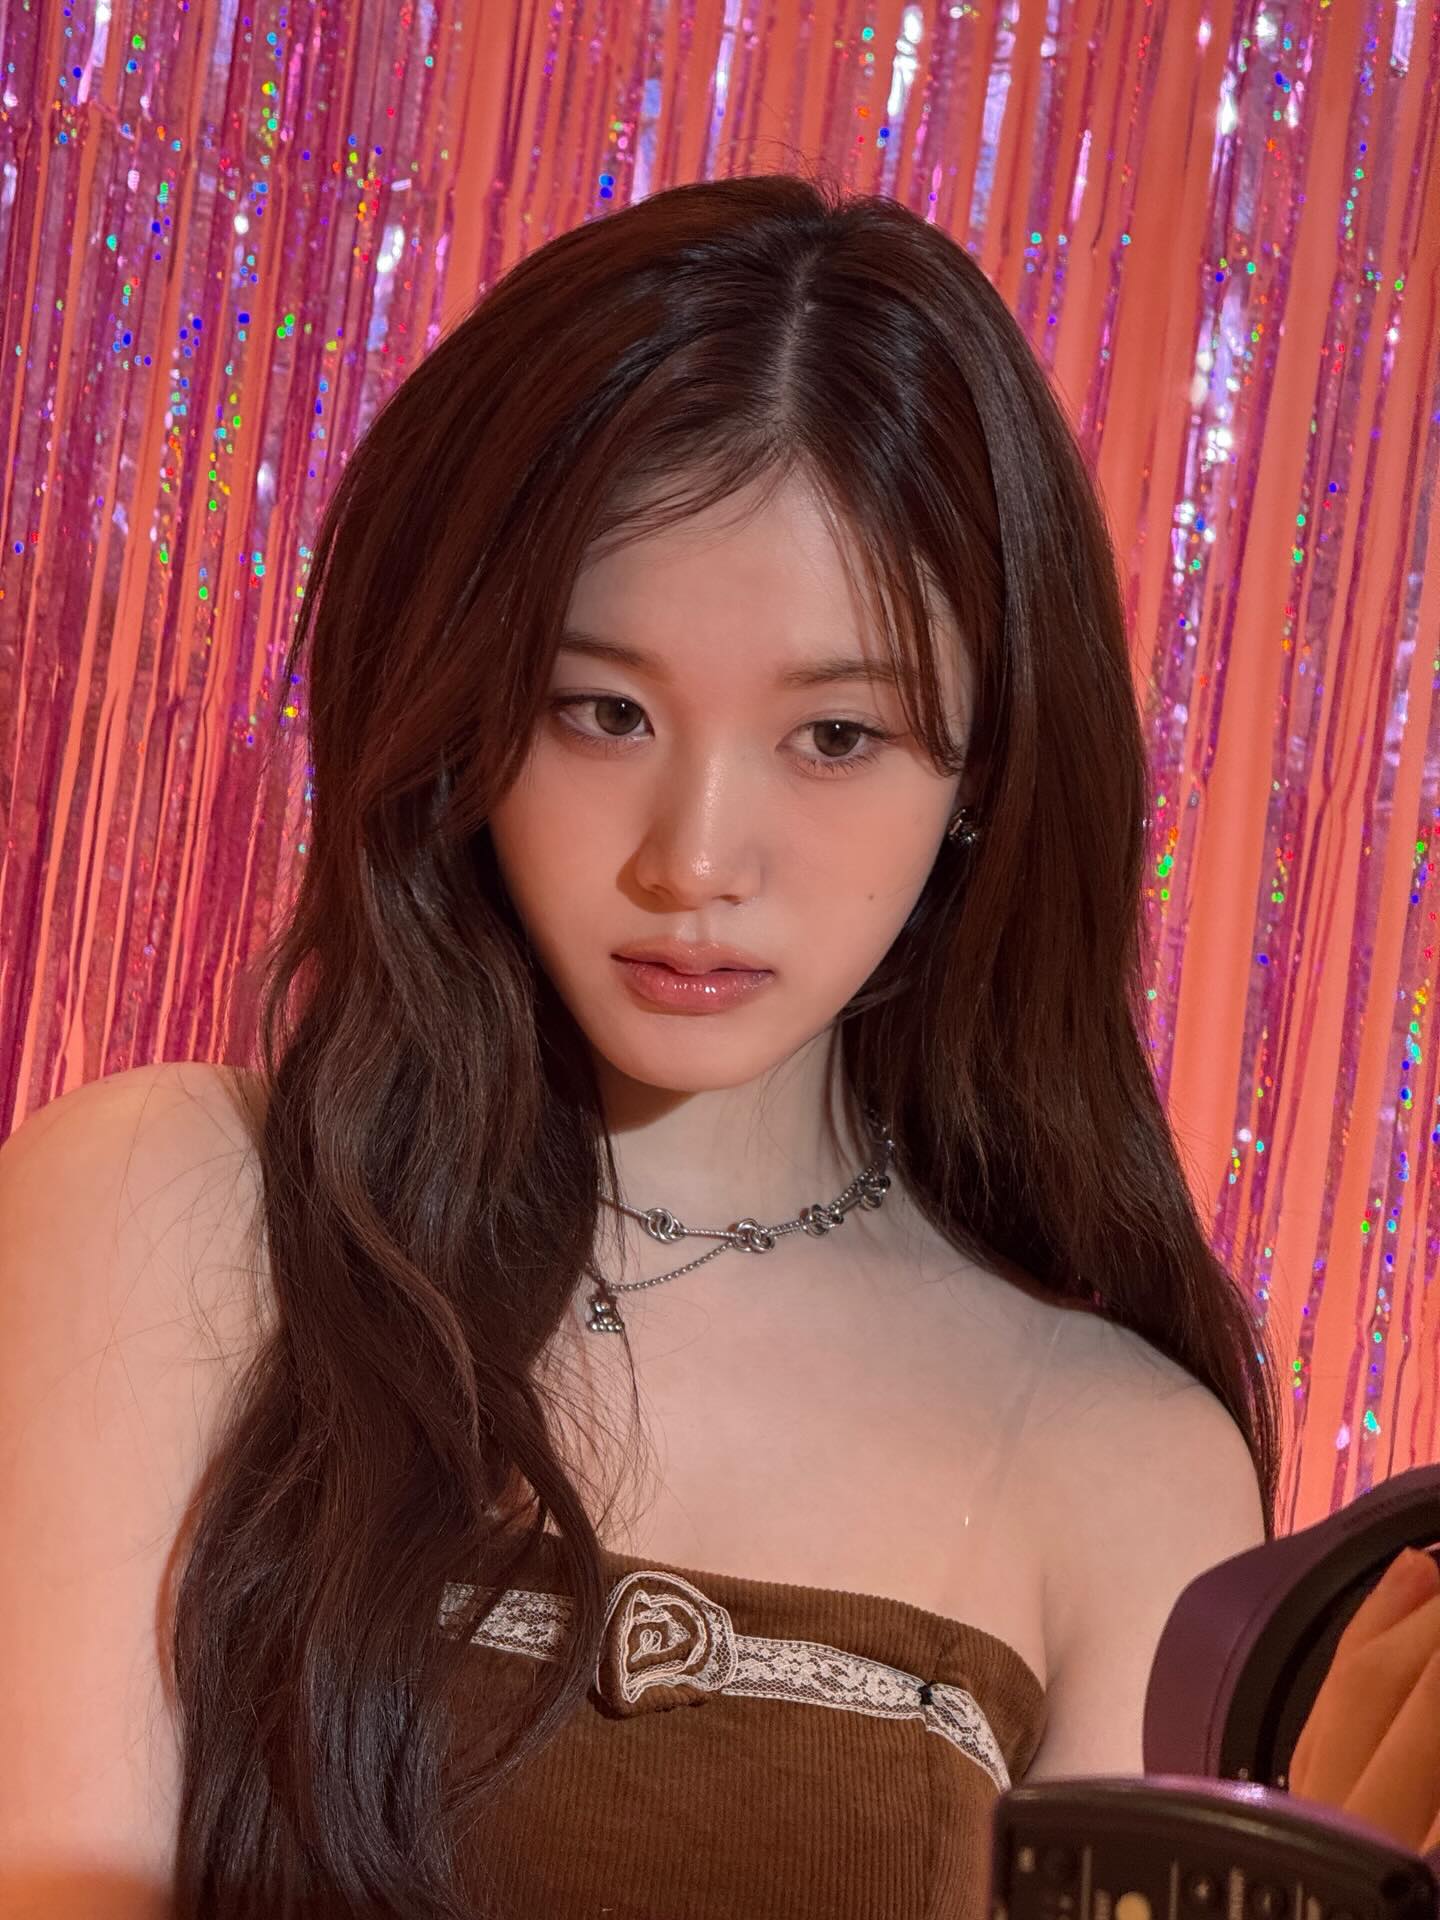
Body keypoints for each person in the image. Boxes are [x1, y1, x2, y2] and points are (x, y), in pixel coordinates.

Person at [1, 169, 1435, 1920]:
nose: (692, 861)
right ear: (461, 713)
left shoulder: (1123, 1455)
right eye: (602, 711)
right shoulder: (173, 1207)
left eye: (834, 737)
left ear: (981, 774)